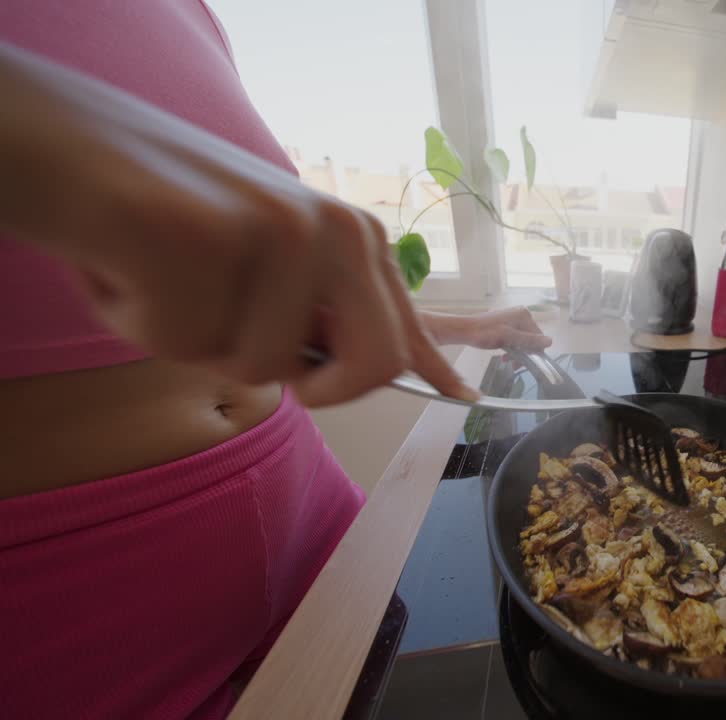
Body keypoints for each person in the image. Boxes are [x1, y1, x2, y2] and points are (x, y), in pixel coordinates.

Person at [0, 3, 551, 718]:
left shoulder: (192, 16)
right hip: (77, 596)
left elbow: (290, 286)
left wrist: (462, 325)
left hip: (307, 503)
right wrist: (89, 154)